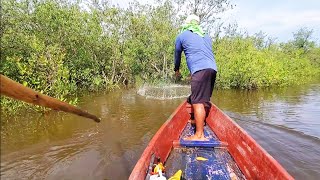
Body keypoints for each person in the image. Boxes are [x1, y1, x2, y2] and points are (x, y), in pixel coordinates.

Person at [174, 14, 217, 141]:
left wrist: (176, 69)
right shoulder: (205, 35)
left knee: (197, 102)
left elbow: (177, 55)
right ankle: (198, 121)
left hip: (200, 70)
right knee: (204, 99)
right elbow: (202, 53)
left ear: (186, 24)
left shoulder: (181, 36)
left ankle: (199, 135)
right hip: (212, 69)